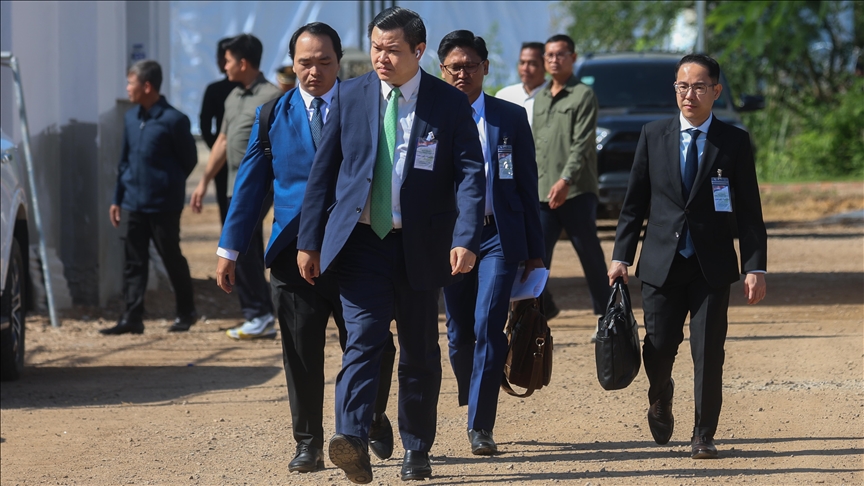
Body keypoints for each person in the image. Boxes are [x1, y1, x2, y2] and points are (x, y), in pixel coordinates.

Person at [296, 7, 485, 483]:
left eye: (392, 50)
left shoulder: (447, 102)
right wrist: (309, 241)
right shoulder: (351, 94)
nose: (381, 58)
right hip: (361, 243)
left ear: (418, 51)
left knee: (419, 349)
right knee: (363, 340)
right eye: (376, 48)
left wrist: (465, 237)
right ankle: (352, 438)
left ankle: (416, 447)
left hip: (422, 244)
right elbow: (323, 172)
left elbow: (470, 175)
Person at [215, 23, 396, 474]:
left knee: (375, 344)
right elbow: (250, 187)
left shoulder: (369, 106)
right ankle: (309, 443)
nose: (314, 72)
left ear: (340, 62)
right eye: (305, 63)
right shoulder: (272, 114)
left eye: (324, 62)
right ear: (292, 64)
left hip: (356, 248)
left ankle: (371, 415)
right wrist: (230, 249)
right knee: (301, 351)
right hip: (292, 254)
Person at [608, 54, 767, 460]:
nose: (689, 95)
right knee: (659, 346)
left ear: (716, 90)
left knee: (708, 352)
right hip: (661, 261)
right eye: (683, 86)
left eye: (699, 87)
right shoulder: (653, 135)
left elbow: (750, 211)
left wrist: (754, 266)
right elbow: (634, 203)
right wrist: (621, 255)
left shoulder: (733, 141)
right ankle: (660, 394)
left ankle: (703, 434)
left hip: (711, 265)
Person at [437, 30, 545, 456]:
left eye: (470, 65)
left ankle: (480, 424)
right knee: (459, 332)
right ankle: (477, 385)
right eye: (454, 67)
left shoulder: (509, 117)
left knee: (488, 324)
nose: (462, 73)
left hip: (498, 234)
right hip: (450, 238)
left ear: (485, 67)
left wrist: (535, 251)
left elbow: (526, 185)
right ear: (442, 71)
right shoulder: (431, 117)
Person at [189, 34, 281, 340]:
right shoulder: (233, 97)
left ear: (243, 63)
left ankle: (260, 314)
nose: (224, 66)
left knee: (242, 244)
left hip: (262, 185)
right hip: (233, 186)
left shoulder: (272, 96)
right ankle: (260, 314)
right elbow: (222, 141)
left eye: (227, 61)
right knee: (242, 245)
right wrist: (203, 182)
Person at [101, 60, 198, 335]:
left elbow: (189, 160)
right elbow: (124, 162)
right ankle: (132, 317)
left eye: (130, 83)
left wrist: (167, 184)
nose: (127, 89)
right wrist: (117, 198)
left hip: (163, 205)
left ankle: (186, 312)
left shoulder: (174, 120)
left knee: (170, 257)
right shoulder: (131, 118)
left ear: (147, 86)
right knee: (134, 262)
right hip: (133, 203)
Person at [533, 34, 609, 321]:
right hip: (543, 191)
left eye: (560, 54)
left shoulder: (583, 95)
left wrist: (566, 180)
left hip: (575, 190)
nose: (554, 60)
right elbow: (536, 144)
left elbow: (583, 143)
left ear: (573, 58)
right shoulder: (541, 97)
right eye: (549, 55)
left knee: (589, 254)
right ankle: (540, 312)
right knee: (536, 257)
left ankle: (607, 316)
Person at [199, 37, 241, 224]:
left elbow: (205, 125)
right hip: (225, 157)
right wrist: (218, 148)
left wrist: (217, 148)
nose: (220, 63)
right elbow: (205, 124)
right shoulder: (214, 90)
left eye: (223, 58)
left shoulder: (253, 91)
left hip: (237, 158)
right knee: (229, 209)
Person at [494, 42, 547, 128]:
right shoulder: (504, 96)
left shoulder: (554, 96)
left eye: (532, 64)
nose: (525, 68)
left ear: (545, 66)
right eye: (522, 62)